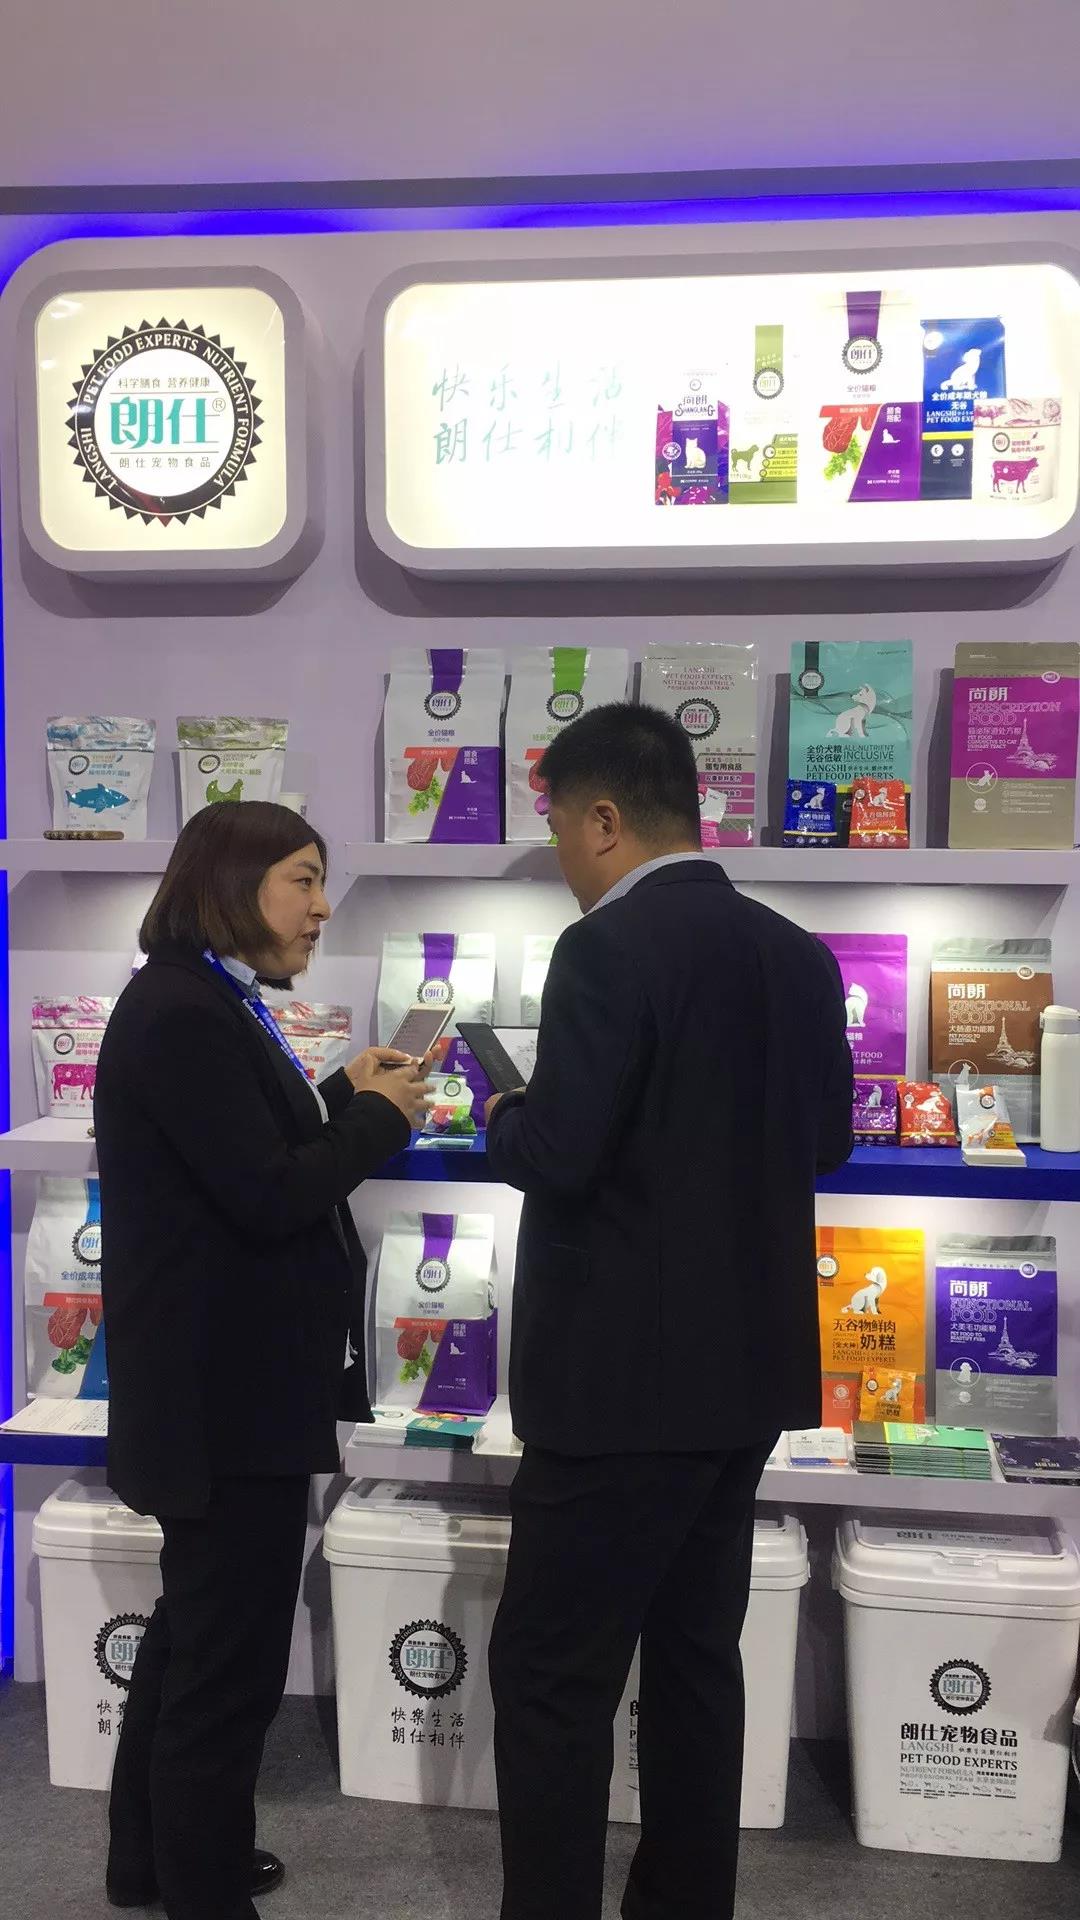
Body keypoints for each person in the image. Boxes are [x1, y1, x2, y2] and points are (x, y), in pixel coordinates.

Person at [484, 704, 853, 1920]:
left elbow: (561, 1154)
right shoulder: (797, 952)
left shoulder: (605, 949)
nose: (562, 857)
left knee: (553, 1677)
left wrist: (501, 1113)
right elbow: (828, 1143)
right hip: (744, 1376)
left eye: (558, 829)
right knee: (696, 1661)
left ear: (604, 817)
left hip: (613, 1390)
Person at [95, 802, 432, 1920]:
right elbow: (268, 1192)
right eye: (302, 879)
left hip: (223, 1387)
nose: (321, 907)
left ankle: (152, 1859)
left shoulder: (205, 1001)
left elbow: (242, 1148)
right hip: (224, 1398)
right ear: (232, 885)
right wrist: (377, 1119)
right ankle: (199, 1889)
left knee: (197, 1633)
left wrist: (339, 1095)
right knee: (226, 1662)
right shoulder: (184, 1012)